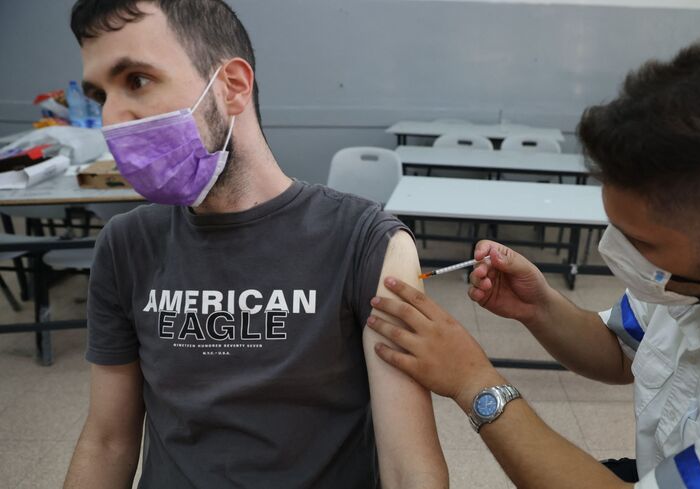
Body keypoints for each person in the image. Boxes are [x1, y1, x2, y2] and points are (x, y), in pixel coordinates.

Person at [365, 36, 700, 488]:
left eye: (641, 242)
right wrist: (539, 307)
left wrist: (475, 383)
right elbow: (618, 351)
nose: (615, 251)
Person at [62, 1, 447, 488]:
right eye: (101, 96)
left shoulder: (366, 243)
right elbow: (107, 441)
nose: (113, 120)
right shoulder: (126, 245)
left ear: (232, 87)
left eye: (136, 80)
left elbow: (408, 468)